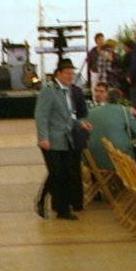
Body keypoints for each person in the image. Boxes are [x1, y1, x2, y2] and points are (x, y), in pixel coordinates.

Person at [33, 57, 89, 220]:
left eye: (72, 73)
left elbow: (67, 116)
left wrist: (80, 124)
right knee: (56, 173)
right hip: (52, 140)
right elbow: (41, 116)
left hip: (66, 139)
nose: (71, 76)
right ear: (58, 74)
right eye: (67, 73)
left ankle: (62, 209)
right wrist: (43, 137)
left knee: (64, 174)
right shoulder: (49, 91)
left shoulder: (68, 91)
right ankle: (42, 200)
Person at [85, 83, 136, 171]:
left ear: (107, 95)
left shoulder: (89, 112)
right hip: (120, 161)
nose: (98, 94)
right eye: (96, 91)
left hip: (93, 160)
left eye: (101, 91)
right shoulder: (123, 111)